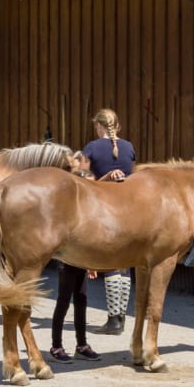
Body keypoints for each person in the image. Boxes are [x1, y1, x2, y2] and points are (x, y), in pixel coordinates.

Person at [83, 109, 136, 333]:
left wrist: (104, 178)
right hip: (128, 209)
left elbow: (84, 182)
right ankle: (120, 318)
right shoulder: (129, 147)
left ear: (98, 126)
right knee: (124, 262)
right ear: (117, 126)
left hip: (103, 210)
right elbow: (131, 177)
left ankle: (114, 321)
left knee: (111, 262)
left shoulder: (91, 148)